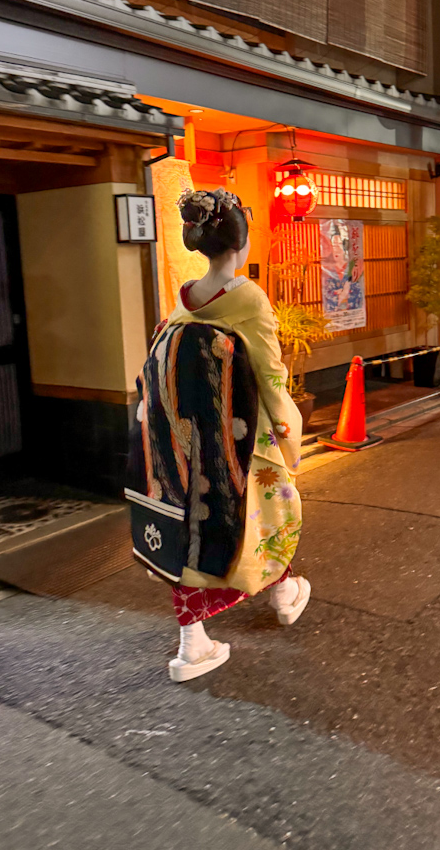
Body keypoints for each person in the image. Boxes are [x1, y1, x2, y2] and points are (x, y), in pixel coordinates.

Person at [127, 187, 310, 682]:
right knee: (267, 517)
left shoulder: (185, 299)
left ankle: (194, 643)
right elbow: (271, 376)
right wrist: (289, 433)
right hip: (245, 439)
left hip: (188, 444)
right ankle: (284, 593)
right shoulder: (247, 298)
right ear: (241, 244)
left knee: (195, 529)